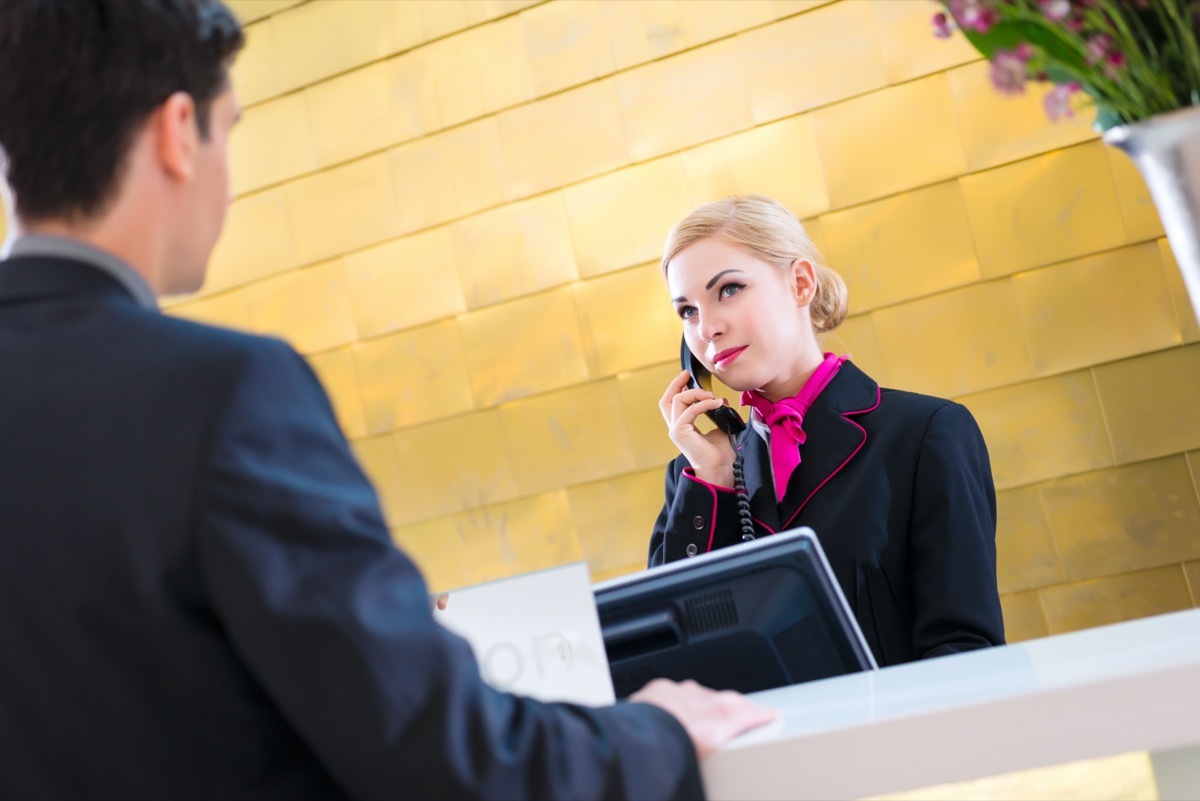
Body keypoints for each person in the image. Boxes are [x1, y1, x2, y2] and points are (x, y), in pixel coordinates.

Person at [0, 2, 776, 799]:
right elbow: (441, 753)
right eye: (228, 130)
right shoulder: (221, 394)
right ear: (175, 133)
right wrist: (657, 734)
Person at [650, 195, 1005, 666]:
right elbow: (669, 661)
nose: (708, 328)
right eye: (687, 312)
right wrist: (713, 479)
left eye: (729, 290)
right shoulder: (695, 476)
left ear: (799, 283)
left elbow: (967, 648)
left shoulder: (925, 435)